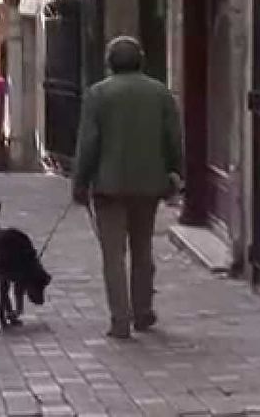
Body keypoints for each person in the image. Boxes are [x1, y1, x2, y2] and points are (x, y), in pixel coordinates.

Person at [72, 36, 183, 339]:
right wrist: (176, 171)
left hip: (109, 186)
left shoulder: (98, 94)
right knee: (143, 248)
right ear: (141, 60)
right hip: (148, 184)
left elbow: (89, 143)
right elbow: (173, 138)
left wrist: (80, 181)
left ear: (109, 62)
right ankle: (143, 310)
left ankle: (120, 319)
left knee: (113, 255)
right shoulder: (159, 93)